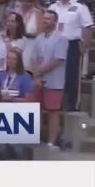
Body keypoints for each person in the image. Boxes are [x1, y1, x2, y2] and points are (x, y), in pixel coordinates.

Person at [32, 10, 68, 148]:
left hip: (54, 81)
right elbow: (34, 58)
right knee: (37, 109)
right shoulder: (39, 38)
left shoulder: (61, 38)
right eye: (44, 18)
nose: (45, 21)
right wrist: (36, 75)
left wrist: (39, 72)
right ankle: (36, 138)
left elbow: (57, 60)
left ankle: (52, 142)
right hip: (38, 80)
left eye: (49, 19)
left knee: (53, 112)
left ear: (54, 21)